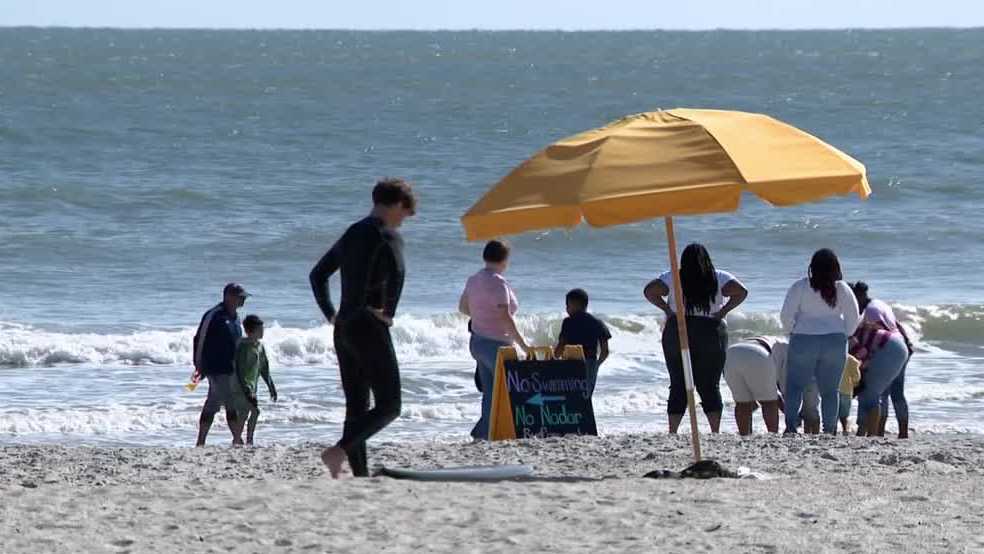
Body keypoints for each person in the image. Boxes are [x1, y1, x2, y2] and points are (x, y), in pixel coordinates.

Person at [309, 178, 416, 478]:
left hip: (343, 327)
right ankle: (339, 451)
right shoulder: (387, 234)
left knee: (356, 406)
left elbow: (317, 275)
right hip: (369, 324)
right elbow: (398, 272)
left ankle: (359, 475)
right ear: (396, 205)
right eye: (405, 214)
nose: (403, 222)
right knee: (390, 405)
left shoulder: (352, 233)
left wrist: (331, 314)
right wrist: (390, 313)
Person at [644, 243, 748, 434]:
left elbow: (650, 291)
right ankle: (714, 430)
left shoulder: (674, 275)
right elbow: (741, 292)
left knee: (678, 383)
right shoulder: (718, 276)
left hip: (679, 328)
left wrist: (667, 310)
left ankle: (673, 430)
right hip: (710, 329)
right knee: (710, 384)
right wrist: (723, 311)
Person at [780, 249, 860, 435]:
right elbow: (853, 317)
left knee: (795, 387)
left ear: (812, 267)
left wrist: (790, 332)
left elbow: (786, 315)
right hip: (835, 340)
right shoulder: (842, 288)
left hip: (804, 338)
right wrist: (844, 334)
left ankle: (791, 427)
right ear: (836, 268)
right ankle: (829, 430)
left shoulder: (800, 286)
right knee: (830, 391)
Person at [458, 239, 533, 441]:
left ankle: (485, 432)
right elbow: (506, 318)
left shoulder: (473, 280)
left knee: (491, 391)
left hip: (477, 341)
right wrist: (523, 345)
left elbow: (463, 308)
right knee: (509, 390)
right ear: (504, 260)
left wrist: (481, 316)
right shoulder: (499, 284)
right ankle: (491, 430)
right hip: (497, 345)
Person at [851, 281, 914, 438]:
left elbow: (878, 334)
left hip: (888, 350)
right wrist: (907, 343)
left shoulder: (871, 312)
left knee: (880, 392)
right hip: (901, 346)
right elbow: (896, 325)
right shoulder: (879, 303)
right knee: (897, 392)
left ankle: (877, 432)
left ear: (857, 296)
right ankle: (902, 433)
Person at [192, 283, 249, 446]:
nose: (243, 300)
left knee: (214, 402)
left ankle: (201, 441)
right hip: (214, 367)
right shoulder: (214, 315)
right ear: (228, 296)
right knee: (229, 402)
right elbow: (199, 339)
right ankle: (238, 440)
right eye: (240, 297)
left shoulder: (236, 318)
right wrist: (198, 365)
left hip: (231, 369)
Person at [554, 288, 611, 396]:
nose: (566, 309)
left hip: (571, 363)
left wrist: (554, 358)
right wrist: (597, 364)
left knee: (571, 395)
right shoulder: (597, 323)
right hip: (590, 363)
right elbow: (605, 350)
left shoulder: (568, 322)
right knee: (586, 396)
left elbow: (561, 345)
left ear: (574, 304)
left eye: (568, 305)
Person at [723, 337, 786, 435]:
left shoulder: (775, 341)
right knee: (769, 403)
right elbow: (782, 392)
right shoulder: (785, 347)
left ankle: (744, 435)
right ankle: (773, 434)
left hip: (731, 353)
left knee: (742, 403)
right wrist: (792, 416)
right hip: (758, 352)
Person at [231, 314, 278, 446]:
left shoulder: (260, 346)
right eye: (260, 329)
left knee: (246, 412)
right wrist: (245, 388)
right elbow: (239, 369)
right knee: (252, 411)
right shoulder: (243, 346)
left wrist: (271, 387)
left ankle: (241, 440)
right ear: (250, 331)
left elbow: (264, 369)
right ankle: (244, 440)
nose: (262, 331)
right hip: (240, 386)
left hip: (252, 387)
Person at [838, 355, 861, 433]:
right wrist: (854, 383)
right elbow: (856, 377)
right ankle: (845, 430)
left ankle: (832, 430)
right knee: (844, 415)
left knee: (833, 413)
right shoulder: (851, 360)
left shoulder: (831, 356)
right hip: (846, 390)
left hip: (833, 389)